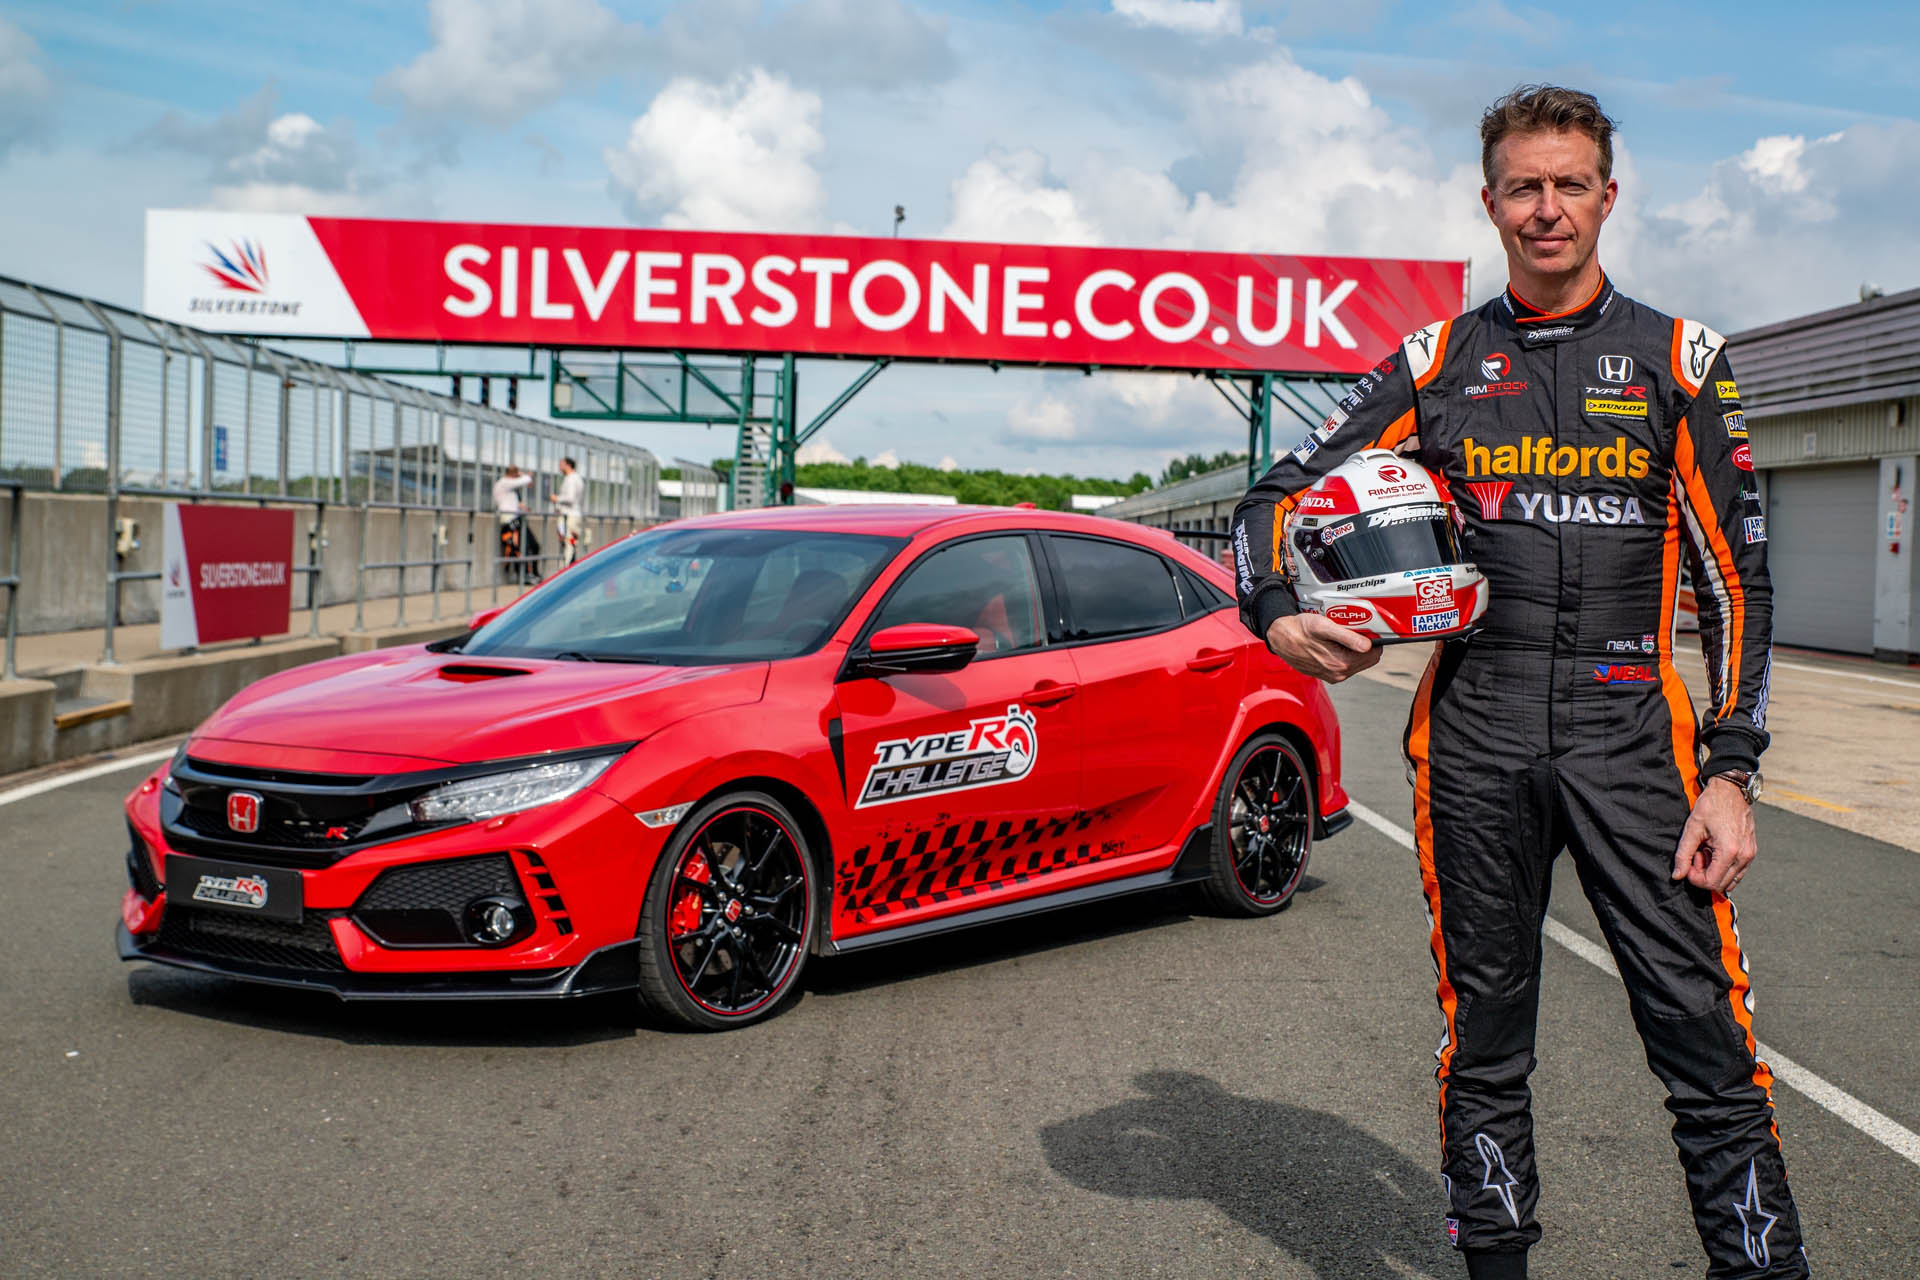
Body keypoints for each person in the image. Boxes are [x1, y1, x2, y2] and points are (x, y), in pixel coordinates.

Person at [1230, 85, 1804, 1279]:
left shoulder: (1681, 359)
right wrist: (1278, 613)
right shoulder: (1436, 359)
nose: (1548, 208)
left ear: (1608, 195)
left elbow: (1739, 583)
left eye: (1569, 184)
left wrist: (1733, 771)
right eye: (1524, 187)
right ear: (1489, 201)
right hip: (1475, 732)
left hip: (1634, 736)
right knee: (1483, 1043)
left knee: (1706, 1042)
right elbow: (1269, 502)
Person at [492, 465, 534, 583]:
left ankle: (530, 574)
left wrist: (521, 508)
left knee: (529, 547)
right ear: (514, 474)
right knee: (519, 548)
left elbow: (510, 502)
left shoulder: (508, 486)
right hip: (510, 520)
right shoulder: (505, 482)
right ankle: (524, 576)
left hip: (515, 518)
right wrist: (524, 475)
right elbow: (527, 480)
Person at [551, 456, 585, 567]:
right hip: (572, 515)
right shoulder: (577, 478)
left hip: (569, 516)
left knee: (569, 543)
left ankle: (567, 568)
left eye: (562, 464)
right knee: (571, 542)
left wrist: (557, 498)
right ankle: (570, 565)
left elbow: (570, 498)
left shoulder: (571, 479)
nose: (560, 467)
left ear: (568, 465)